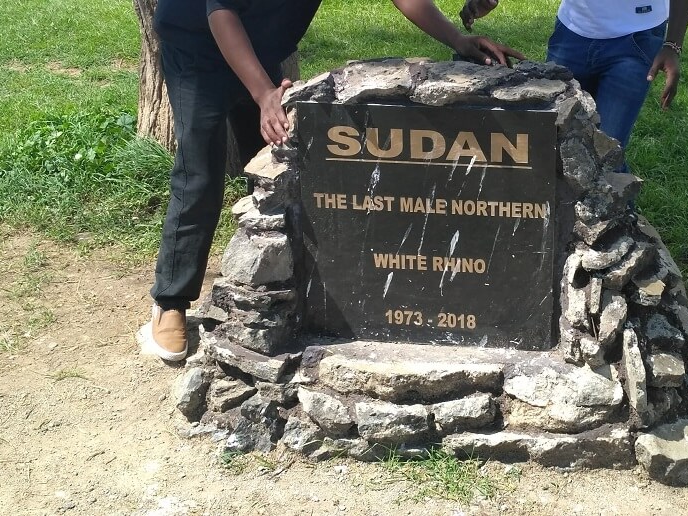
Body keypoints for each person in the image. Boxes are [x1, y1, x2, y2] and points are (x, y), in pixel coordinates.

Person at [138, 0, 525, 362]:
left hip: (258, 48)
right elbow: (221, 12)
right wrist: (263, 95)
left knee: (275, 176)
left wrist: (458, 39)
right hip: (198, 47)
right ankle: (171, 301)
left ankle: (265, 281)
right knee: (199, 172)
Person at [460, 0, 688, 173]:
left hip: (636, 39)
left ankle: (622, 235)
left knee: (605, 152)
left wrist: (673, 45)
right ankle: (560, 232)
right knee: (554, 143)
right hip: (572, 35)